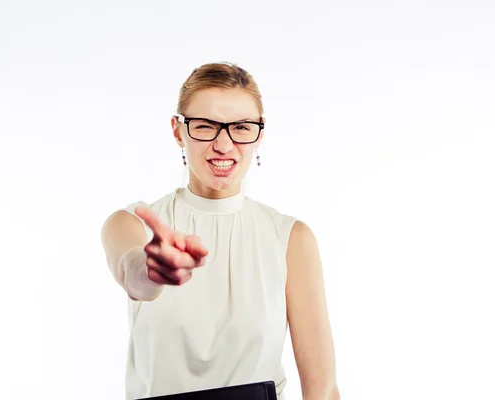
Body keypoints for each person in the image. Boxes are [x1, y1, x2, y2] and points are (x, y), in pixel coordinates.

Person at [100, 62, 340, 400]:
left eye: (241, 127)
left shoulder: (290, 238)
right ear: (177, 130)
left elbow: (323, 390)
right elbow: (130, 271)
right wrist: (150, 270)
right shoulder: (133, 223)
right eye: (205, 126)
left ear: (260, 132)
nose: (224, 145)